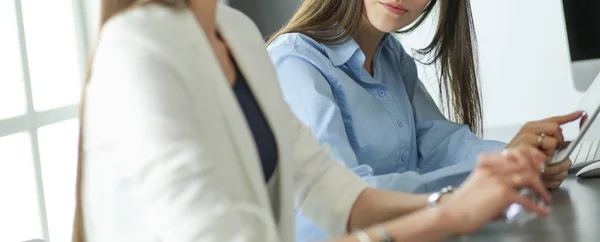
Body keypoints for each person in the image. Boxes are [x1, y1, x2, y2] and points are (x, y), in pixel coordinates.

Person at [72, 1, 551, 241]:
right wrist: (447, 215)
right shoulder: (137, 52)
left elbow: (330, 190)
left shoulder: (234, 32)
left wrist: (462, 194)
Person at [266, 1, 581, 240]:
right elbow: (353, 196)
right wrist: (487, 181)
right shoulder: (295, 64)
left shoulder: (391, 55)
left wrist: (516, 159)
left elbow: (440, 142)